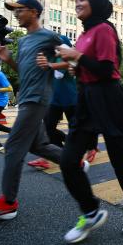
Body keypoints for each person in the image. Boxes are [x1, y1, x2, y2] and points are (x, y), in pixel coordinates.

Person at [57, 0, 123, 243]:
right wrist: (72, 65)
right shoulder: (83, 35)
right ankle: (90, 212)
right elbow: (83, 67)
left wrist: (76, 56)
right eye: (75, 0)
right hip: (86, 99)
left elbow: (107, 69)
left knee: (119, 161)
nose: (77, 3)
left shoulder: (104, 29)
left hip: (108, 98)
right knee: (68, 160)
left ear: (96, 3)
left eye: (82, 0)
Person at [0, 0, 66, 221]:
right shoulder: (24, 41)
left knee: (13, 147)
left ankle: (8, 203)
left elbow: (73, 58)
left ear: (34, 12)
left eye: (20, 10)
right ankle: (74, 162)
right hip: (26, 98)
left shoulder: (49, 37)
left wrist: (51, 65)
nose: (16, 14)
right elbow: (24, 71)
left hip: (38, 98)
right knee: (40, 145)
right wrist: (8, 59)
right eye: (14, 10)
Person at [27, 35, 99, 170]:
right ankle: (51, 156)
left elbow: (70, 64)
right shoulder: (50, 58)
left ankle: (90, 147)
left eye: (56, 46)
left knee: (77, 128)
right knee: (48, 128)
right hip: (54, 99)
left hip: (71, 99)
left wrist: (50, 65)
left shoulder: (68, 58)